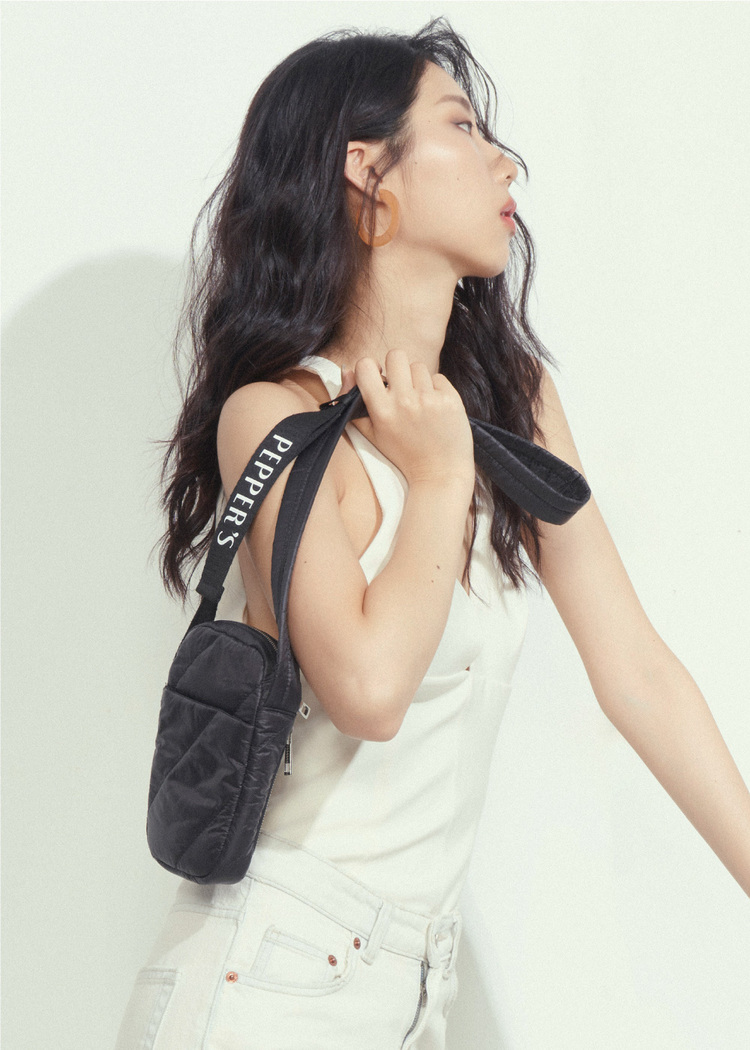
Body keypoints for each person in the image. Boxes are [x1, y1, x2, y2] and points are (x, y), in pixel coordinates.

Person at [116, 17, 750, 1050]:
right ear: (367, 175)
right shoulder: (276, 417)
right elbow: (368, 690)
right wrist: (442, 471)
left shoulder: (517, 403)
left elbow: (636, 671)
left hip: (415, 998)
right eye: (462, 125)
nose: (507, 161)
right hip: (267, 979)